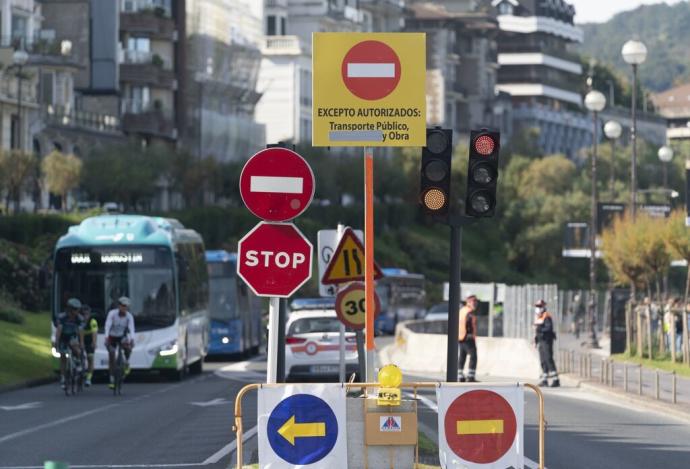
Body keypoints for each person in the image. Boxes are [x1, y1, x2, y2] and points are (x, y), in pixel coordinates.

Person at [53, 298, 85, 390]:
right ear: (70, 309)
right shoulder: (62, 317)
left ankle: (78, 362)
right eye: (75, 309)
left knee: (76, 348)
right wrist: (56, 342)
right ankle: (63, 378)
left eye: (78, 309)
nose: (77, 311)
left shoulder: (79, 318)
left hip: (72, 336)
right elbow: (59, 330)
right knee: (63, 357)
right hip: (63, 337)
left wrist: (82, 343)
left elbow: (80, 331)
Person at [105, 296, 136, 389]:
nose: (124, 308)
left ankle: (126, 362)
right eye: (122, 306)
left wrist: (132, 340)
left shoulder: (129, 316)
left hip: (122, 337)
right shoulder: (112, 314)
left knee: (128, 347)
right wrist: (106, 337)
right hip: (112, 336)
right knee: (111, 354)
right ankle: (111, 379)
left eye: (126, 306)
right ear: (119, 306)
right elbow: (107, 326)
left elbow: (131, 329)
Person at [534, 299, 559, 387]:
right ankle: (544, 380)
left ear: (543, 307)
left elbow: (549, 328)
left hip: (547, 341)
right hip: (541, 341)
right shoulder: (539, 317)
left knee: (548, 359)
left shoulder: (546, 316)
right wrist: (536, 339)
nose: (538, 308)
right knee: (543, 360)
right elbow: (537, 331)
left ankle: (556, 380)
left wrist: (541, 330)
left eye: (539, 306)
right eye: (537, 306)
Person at [458, 293, 478, 383]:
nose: (475, 303)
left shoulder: (462, 310)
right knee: (473, 356)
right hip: (468, 337)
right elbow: (471, 324)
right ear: (468, 302)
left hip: (460, 337)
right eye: (473, 301)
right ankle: (471, 376)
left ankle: (460, 375)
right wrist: (472, 335)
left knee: (462, 356)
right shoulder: (470, 313)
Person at [81, 304, 98, 387]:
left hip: (89, 339)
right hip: (81, 338)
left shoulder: (93, 321)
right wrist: (81, 343)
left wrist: (94, 343)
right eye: (83, 314)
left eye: (87, 314)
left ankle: (89, 378)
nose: (85, 316)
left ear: (89, 314)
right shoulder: (79, 320)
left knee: (90, 358)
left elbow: (94, 333)